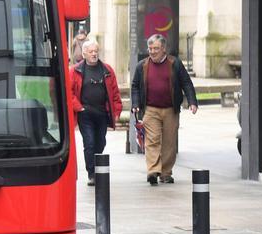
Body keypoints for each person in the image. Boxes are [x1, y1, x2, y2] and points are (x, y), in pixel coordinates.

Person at [130, 34, 198, 186]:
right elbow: (135, 86)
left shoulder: (175, 64)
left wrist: (192, 102)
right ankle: (153, 171)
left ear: (164, 49)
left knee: (169, 143)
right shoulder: (142, 65)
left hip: (170, 110)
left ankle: (166, 173)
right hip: (151, 109)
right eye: (150, 48)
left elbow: (186, 83)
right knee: (152, 140)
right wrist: (135, 103)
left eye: (156, 48)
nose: (152, 51)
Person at [69, 40, 122, 187]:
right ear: (84, 53)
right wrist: (79, 108)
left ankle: (97, 168)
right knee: (89, 142)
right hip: (85, 113)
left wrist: (116, 111)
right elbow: (69, 92)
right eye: (91, 51)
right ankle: (91, 173)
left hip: (102, 113)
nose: (94, 54)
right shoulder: (75, 70)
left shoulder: (107, 70)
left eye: (96, 51)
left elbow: (115, 93)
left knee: (100, 142)